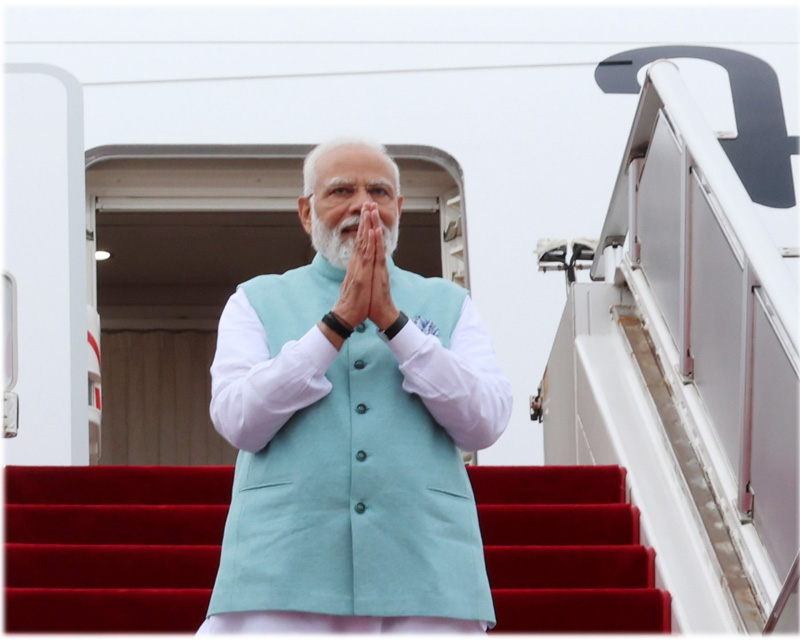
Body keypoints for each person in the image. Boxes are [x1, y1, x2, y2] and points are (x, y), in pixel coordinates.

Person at [197, 138, 513, 634]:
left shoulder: (449, 303)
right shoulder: (255, 299)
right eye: (341, 190)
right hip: (282, 568)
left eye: (380, 192)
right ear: (306, 212)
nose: (364, 205)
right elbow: (239, 420)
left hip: (425, 566)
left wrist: (396, 325)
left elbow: (487, 421)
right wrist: (335, 324)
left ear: (399, 209)